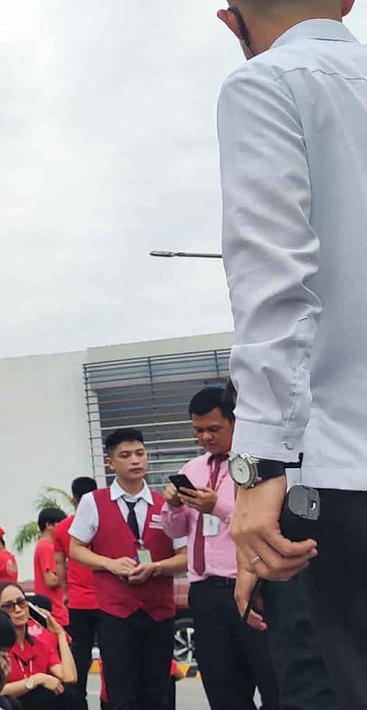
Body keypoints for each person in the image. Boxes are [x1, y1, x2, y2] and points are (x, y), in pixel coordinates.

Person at [215, 2, 367, 706]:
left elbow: (272, 279)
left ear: (228, 20)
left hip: (333, 475)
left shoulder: (266, 85)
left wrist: (257, 471)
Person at [157, 387, 281, 710]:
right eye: (198, 430)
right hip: (204, 589)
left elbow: (260, 519)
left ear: (234, 423)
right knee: (222, 687)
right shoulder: (192, 468)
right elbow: (175, 530)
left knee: (272, 679)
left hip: (249, 585)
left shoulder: (256, 464)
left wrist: (218, 507)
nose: (206, 437)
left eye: (214, 429)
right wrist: (172, 506)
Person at [67, 429, 187, 710]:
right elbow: (76, 549)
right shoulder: (93, 502)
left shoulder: (165, 505)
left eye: (140, 453)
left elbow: (184, 557)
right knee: (121, 691)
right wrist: (110, 563)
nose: (135, 460)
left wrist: (156, 567)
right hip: (115, 612)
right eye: (126, 455)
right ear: (111, 463)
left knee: (158, 689)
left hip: (159, 611)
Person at [0, 582, 76, 710]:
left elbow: (69, 677)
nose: (18, 609)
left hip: (37, 704)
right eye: (8, 606)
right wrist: (36, 680)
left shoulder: (41, 642)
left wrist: (60, 634)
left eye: (21, 602)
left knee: (69, 693)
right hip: (11, 704)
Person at [52, 477, 99, 710]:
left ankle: (77, 704)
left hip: (79, 603)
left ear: (73, 499)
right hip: (107, 601)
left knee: (79, 657)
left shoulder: (62, 528)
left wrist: (66, 591)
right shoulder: (104, 521)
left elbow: (60, 565)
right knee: (114, 656)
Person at [33, 509, 69, 629]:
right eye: (61, 523)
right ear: (48, 525)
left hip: (57, 612)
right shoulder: (46, 547)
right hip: (56, 614)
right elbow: (51, 580)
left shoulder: (48, 546)